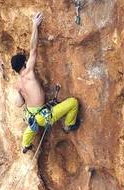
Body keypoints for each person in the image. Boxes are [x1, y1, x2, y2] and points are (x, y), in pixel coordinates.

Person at [11, 12, 80, 153]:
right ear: (24, 63)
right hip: (43, 116)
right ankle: (69, 125)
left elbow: (18, 104)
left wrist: (19, 92)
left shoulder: (17, 83)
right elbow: (33, 49)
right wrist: (34, 26)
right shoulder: (29, 71)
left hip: (32, 114)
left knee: (31, 128)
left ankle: (25, 145)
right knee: (73, 103)